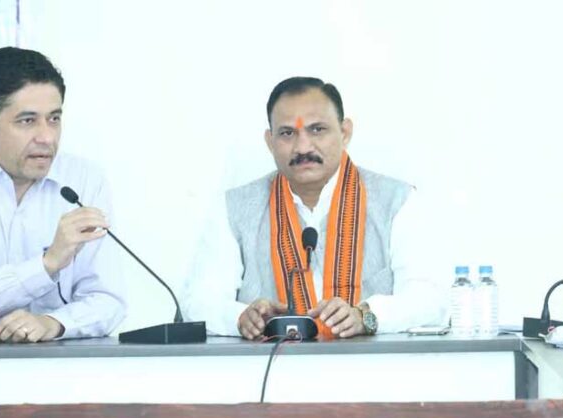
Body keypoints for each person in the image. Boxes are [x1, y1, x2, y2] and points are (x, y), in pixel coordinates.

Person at [183, 77, 445, 339]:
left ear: (345, 133)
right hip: (268, 364)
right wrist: (240, 317)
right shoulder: (234, 208)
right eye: (287, 133)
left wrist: (367, 316)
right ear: (270, 141)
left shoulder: (397, 201)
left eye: (317, 130)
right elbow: (198, 302)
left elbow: (432, 300)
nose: (303, 147)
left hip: (375, 364)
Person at [0, 47, 126, 342]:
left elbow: (108, 300)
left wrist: (53, 322)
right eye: (27, 121)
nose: (47, 137)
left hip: (61, 361)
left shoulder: (83, 179)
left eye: (54, 119)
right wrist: (46, 265)